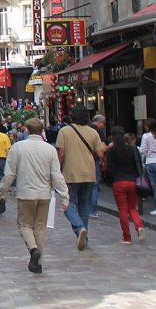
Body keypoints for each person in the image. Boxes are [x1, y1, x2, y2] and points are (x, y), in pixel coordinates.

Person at [0, 118, 69, 274]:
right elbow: (56, 174)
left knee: (24, 225)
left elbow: (9, 174)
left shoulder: (17, 147)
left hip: (26, 193)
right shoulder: (49, 149)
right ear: (41, 130)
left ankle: (33, 248)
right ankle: (38, 262)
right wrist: (64, 196)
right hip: (44, 194)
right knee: (41, 227)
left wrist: (2, 192)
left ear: (27, 130)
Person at [56, 104, 105, 250]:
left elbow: (61, 154)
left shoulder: (64, 131)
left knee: (68, 204)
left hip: (70, 173)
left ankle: (79, 228)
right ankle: (84, 235)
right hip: (89, 173)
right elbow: (100, 153)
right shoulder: (93, 132)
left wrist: (57, 170)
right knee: (85, 206)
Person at [104, 128, 146, 244]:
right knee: (132, 208)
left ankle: (127, 237)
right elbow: (138, 165)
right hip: (132, 181)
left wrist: (110, 181)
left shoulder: (112, 151)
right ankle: (139, 226)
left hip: (118, 182)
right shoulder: (132, 149)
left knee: (123, 210)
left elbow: (110, 170)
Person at [88, 114, 108, 219]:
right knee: (94, 185)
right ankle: (92, 210)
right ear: (100, 122)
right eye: (104, 124)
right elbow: (102, 147)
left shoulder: (86, 128)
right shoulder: (98, 131)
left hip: (84, 159)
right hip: (95, 159)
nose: (104, 126)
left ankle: (85, 208)